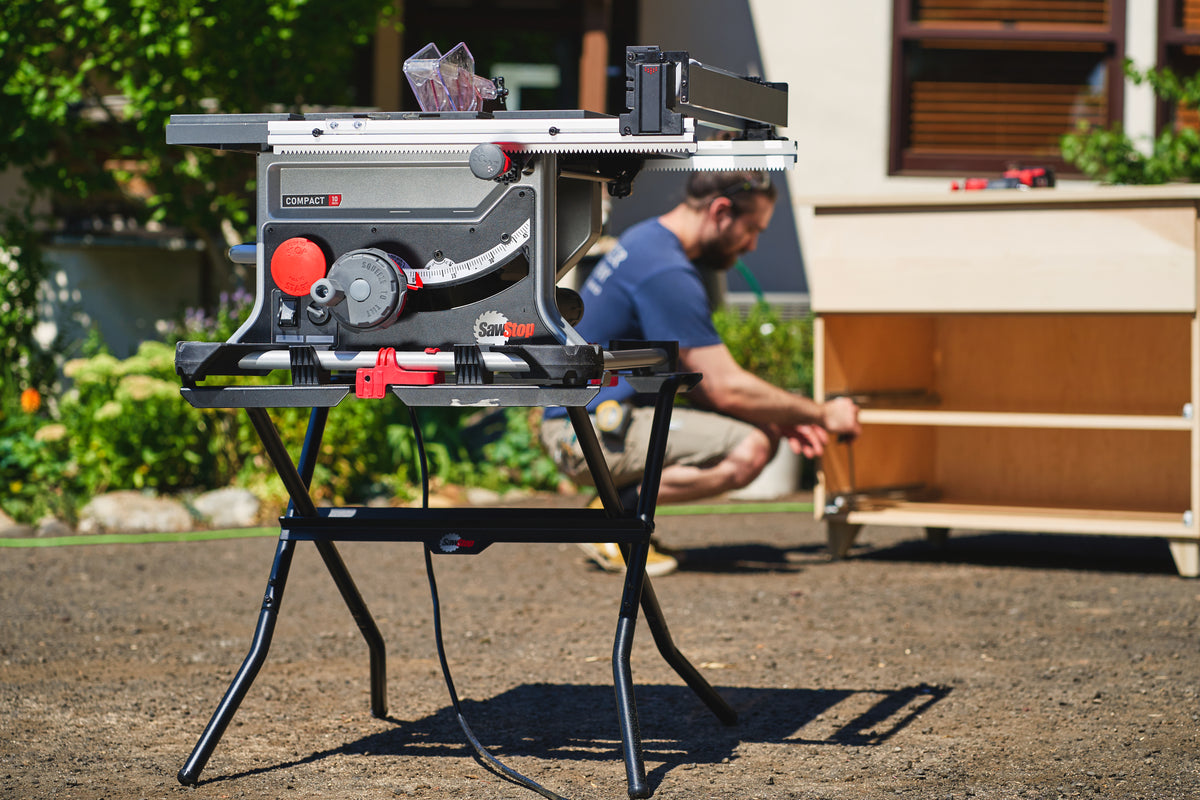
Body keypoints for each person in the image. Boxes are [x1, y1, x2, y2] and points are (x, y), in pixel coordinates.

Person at [540, 170, 861, 576]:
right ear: (721, 211)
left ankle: (618, 519)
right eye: (752, 229)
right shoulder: (665, 270)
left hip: (581, 418)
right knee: (751, 447)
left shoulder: (647, 239)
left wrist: (778, 414)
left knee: (760, 430)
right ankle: (611, 522)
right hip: (583, 432)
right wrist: (822, 414)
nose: (753, 244)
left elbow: (703, 383)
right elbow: (726, 387)